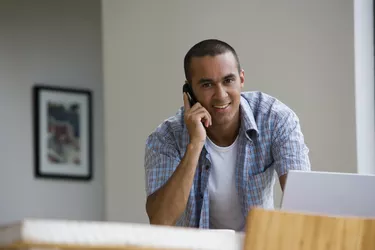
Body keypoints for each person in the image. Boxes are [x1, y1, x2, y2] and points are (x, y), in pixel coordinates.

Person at [144, 39, 311, 231]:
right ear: (189, 91)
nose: (221, 95)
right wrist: (195, 144)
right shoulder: (166, 138)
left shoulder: (275, 119)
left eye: (228, 80)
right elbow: (160, 220)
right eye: (207, 85)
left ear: (241, 79)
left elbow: (303, 207)